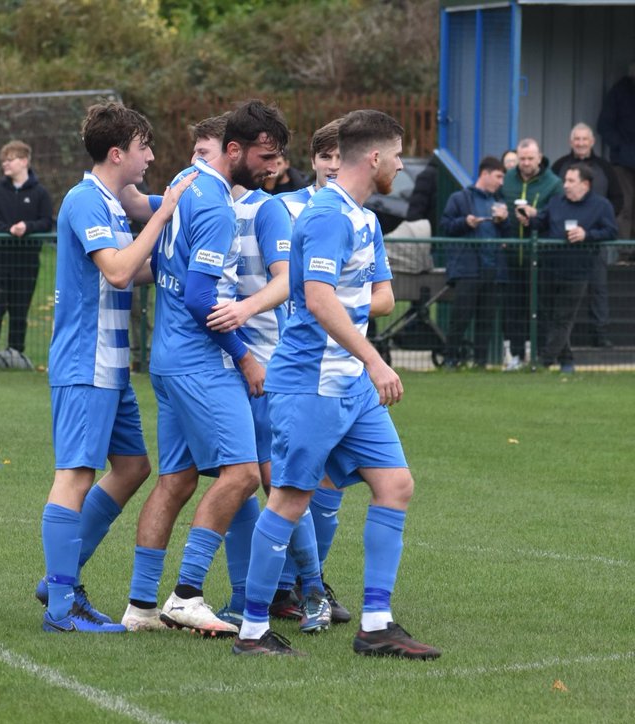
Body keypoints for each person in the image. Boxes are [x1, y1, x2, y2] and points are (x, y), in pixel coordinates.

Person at [233, 110, 440, 659]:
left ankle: (375, 625)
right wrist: (376, 361)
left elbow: (377, 296)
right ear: (373, 158)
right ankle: (253, 631)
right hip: (310, 385)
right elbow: (319, 298)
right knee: (290, 500)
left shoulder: (365, 219)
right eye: (397, 156)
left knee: (395, 485)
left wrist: (364, 367)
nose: (401, 165)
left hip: (350, 388)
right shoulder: (326, 215)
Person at [118, 102, 283, 636]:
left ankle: (140, 607)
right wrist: (244, 355)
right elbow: (198, 296)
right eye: (264, 156)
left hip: (166, 361)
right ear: (233, 150)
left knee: (177, 480)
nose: (270, 166)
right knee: (241, 475)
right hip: (198, 361)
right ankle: (187, 594)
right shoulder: (214, 205)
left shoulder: (186, 181)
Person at [34, 101, 195, 633]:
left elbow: (140, 265)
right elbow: (122, 271)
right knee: (75, 475)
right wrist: (166, 214)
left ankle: (62, 573)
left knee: (132, 468)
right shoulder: (84, 201)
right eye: (144, 148)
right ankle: (62, 605)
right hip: (86, 363)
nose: (151, 157)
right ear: (117, 152)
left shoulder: (110, 201)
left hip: (112, 367)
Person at [263, 118, 354, 627]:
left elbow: (376, 290)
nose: (334, 166)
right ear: (315, 160)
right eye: (326, 157)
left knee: (329, 485)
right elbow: (281, 279)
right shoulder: (286, 208)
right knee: (291, 478)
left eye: (342, 157)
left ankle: (304, 582)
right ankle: (288, 588)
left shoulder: (359, 214)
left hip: (341, 366)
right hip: (295, 362)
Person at [516, 164, 617, 372]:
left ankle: (543, 362)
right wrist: (528, 220)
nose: (566, 185)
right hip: (549, 268)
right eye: (565, 181)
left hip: (578, 271)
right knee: (546, 315)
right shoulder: (556, 202)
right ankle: (567, 360)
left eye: (571, 181)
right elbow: (540, 222)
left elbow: (610, 232)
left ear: (585, 185)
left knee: (563, 318)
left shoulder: (602, 205)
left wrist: (586, 235)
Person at [0, 139, 54, 368]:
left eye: (9, 160)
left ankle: (16, 356)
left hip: (26, 263)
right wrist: (8, 230)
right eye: (3, 160)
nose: (5, 164)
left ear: (23, 161)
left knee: (19, 310)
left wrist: (27, 228)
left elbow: (46, 222)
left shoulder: (40, 193)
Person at [551, 123, 623, 348]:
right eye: (577, 139)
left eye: (585, 139)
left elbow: (618, 198)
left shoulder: (605, 167)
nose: (581, 143)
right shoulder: (559, 166)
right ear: (571, 142)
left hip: (595, 242)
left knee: (598, 288)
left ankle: (600, 335)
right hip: (564, 246)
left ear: (592, 142)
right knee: (560, 293)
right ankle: (561, 342)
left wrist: (599, 220)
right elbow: (552, 200)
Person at [440, 156, 513, 368]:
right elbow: (446, 225)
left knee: (487, 319)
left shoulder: (498, 201)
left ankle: (480, 362)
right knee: (460, 317)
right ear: (485, 174)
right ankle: (450, 359)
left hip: (493, 269)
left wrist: (504, 221)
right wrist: (465, 222)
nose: (501, 182)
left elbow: (507, 235)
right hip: (468, 269)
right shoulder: (460, 198)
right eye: (498, 176)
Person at [500, 138, 562, 371]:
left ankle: (539, 357)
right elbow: (500, 204)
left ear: (539, 157)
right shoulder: (507, 179)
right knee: (514, 308)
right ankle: (516, 356)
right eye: (522, 158)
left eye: (530, 158)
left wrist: (537, 215)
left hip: (540, 259)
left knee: (540, 309)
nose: (525, 163)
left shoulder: (552, 183)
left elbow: (556, 214)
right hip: (512, 256)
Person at [598, 63, 635, 239]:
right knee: (624, 208)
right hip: (623, 163)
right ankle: (624, 255)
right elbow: (604, 125)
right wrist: (621, 147)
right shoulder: (619, 92)